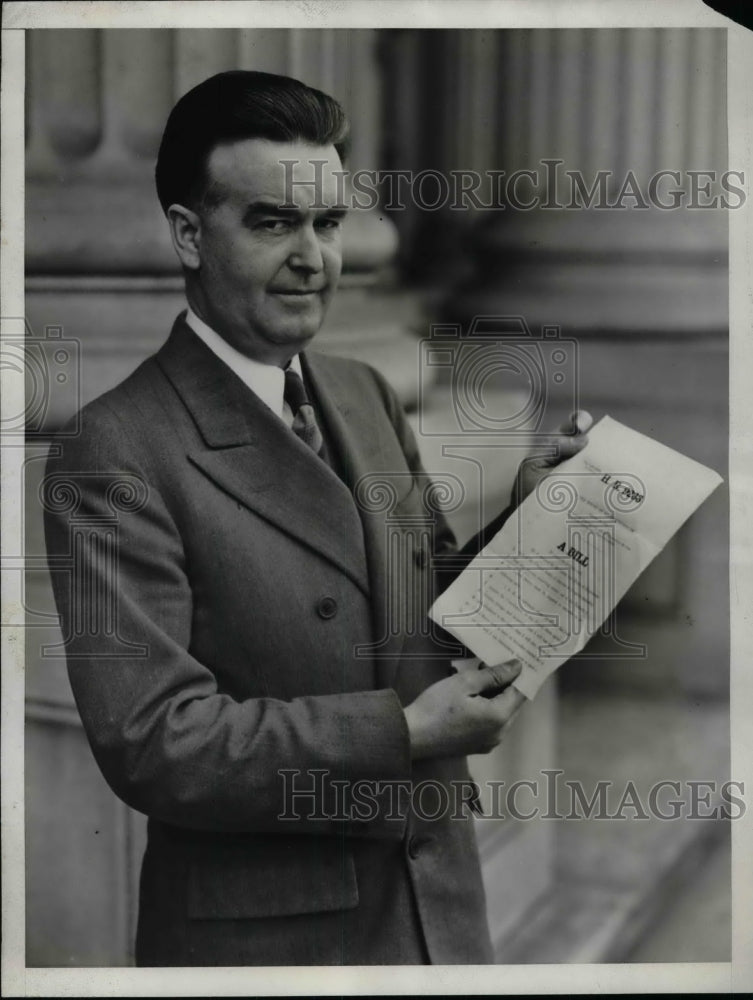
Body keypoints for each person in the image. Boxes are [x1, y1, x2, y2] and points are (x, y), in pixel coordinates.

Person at [43, 70, 590, 966]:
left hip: (434, 909)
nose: (316, 258)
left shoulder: (362, 390)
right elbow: (154, 742)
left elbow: (427, 619)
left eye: (329, 224)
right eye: (272, 223)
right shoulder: (115, 448)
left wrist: (529, 522)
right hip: (278, 945)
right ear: (188, 234)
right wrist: (405, 733)